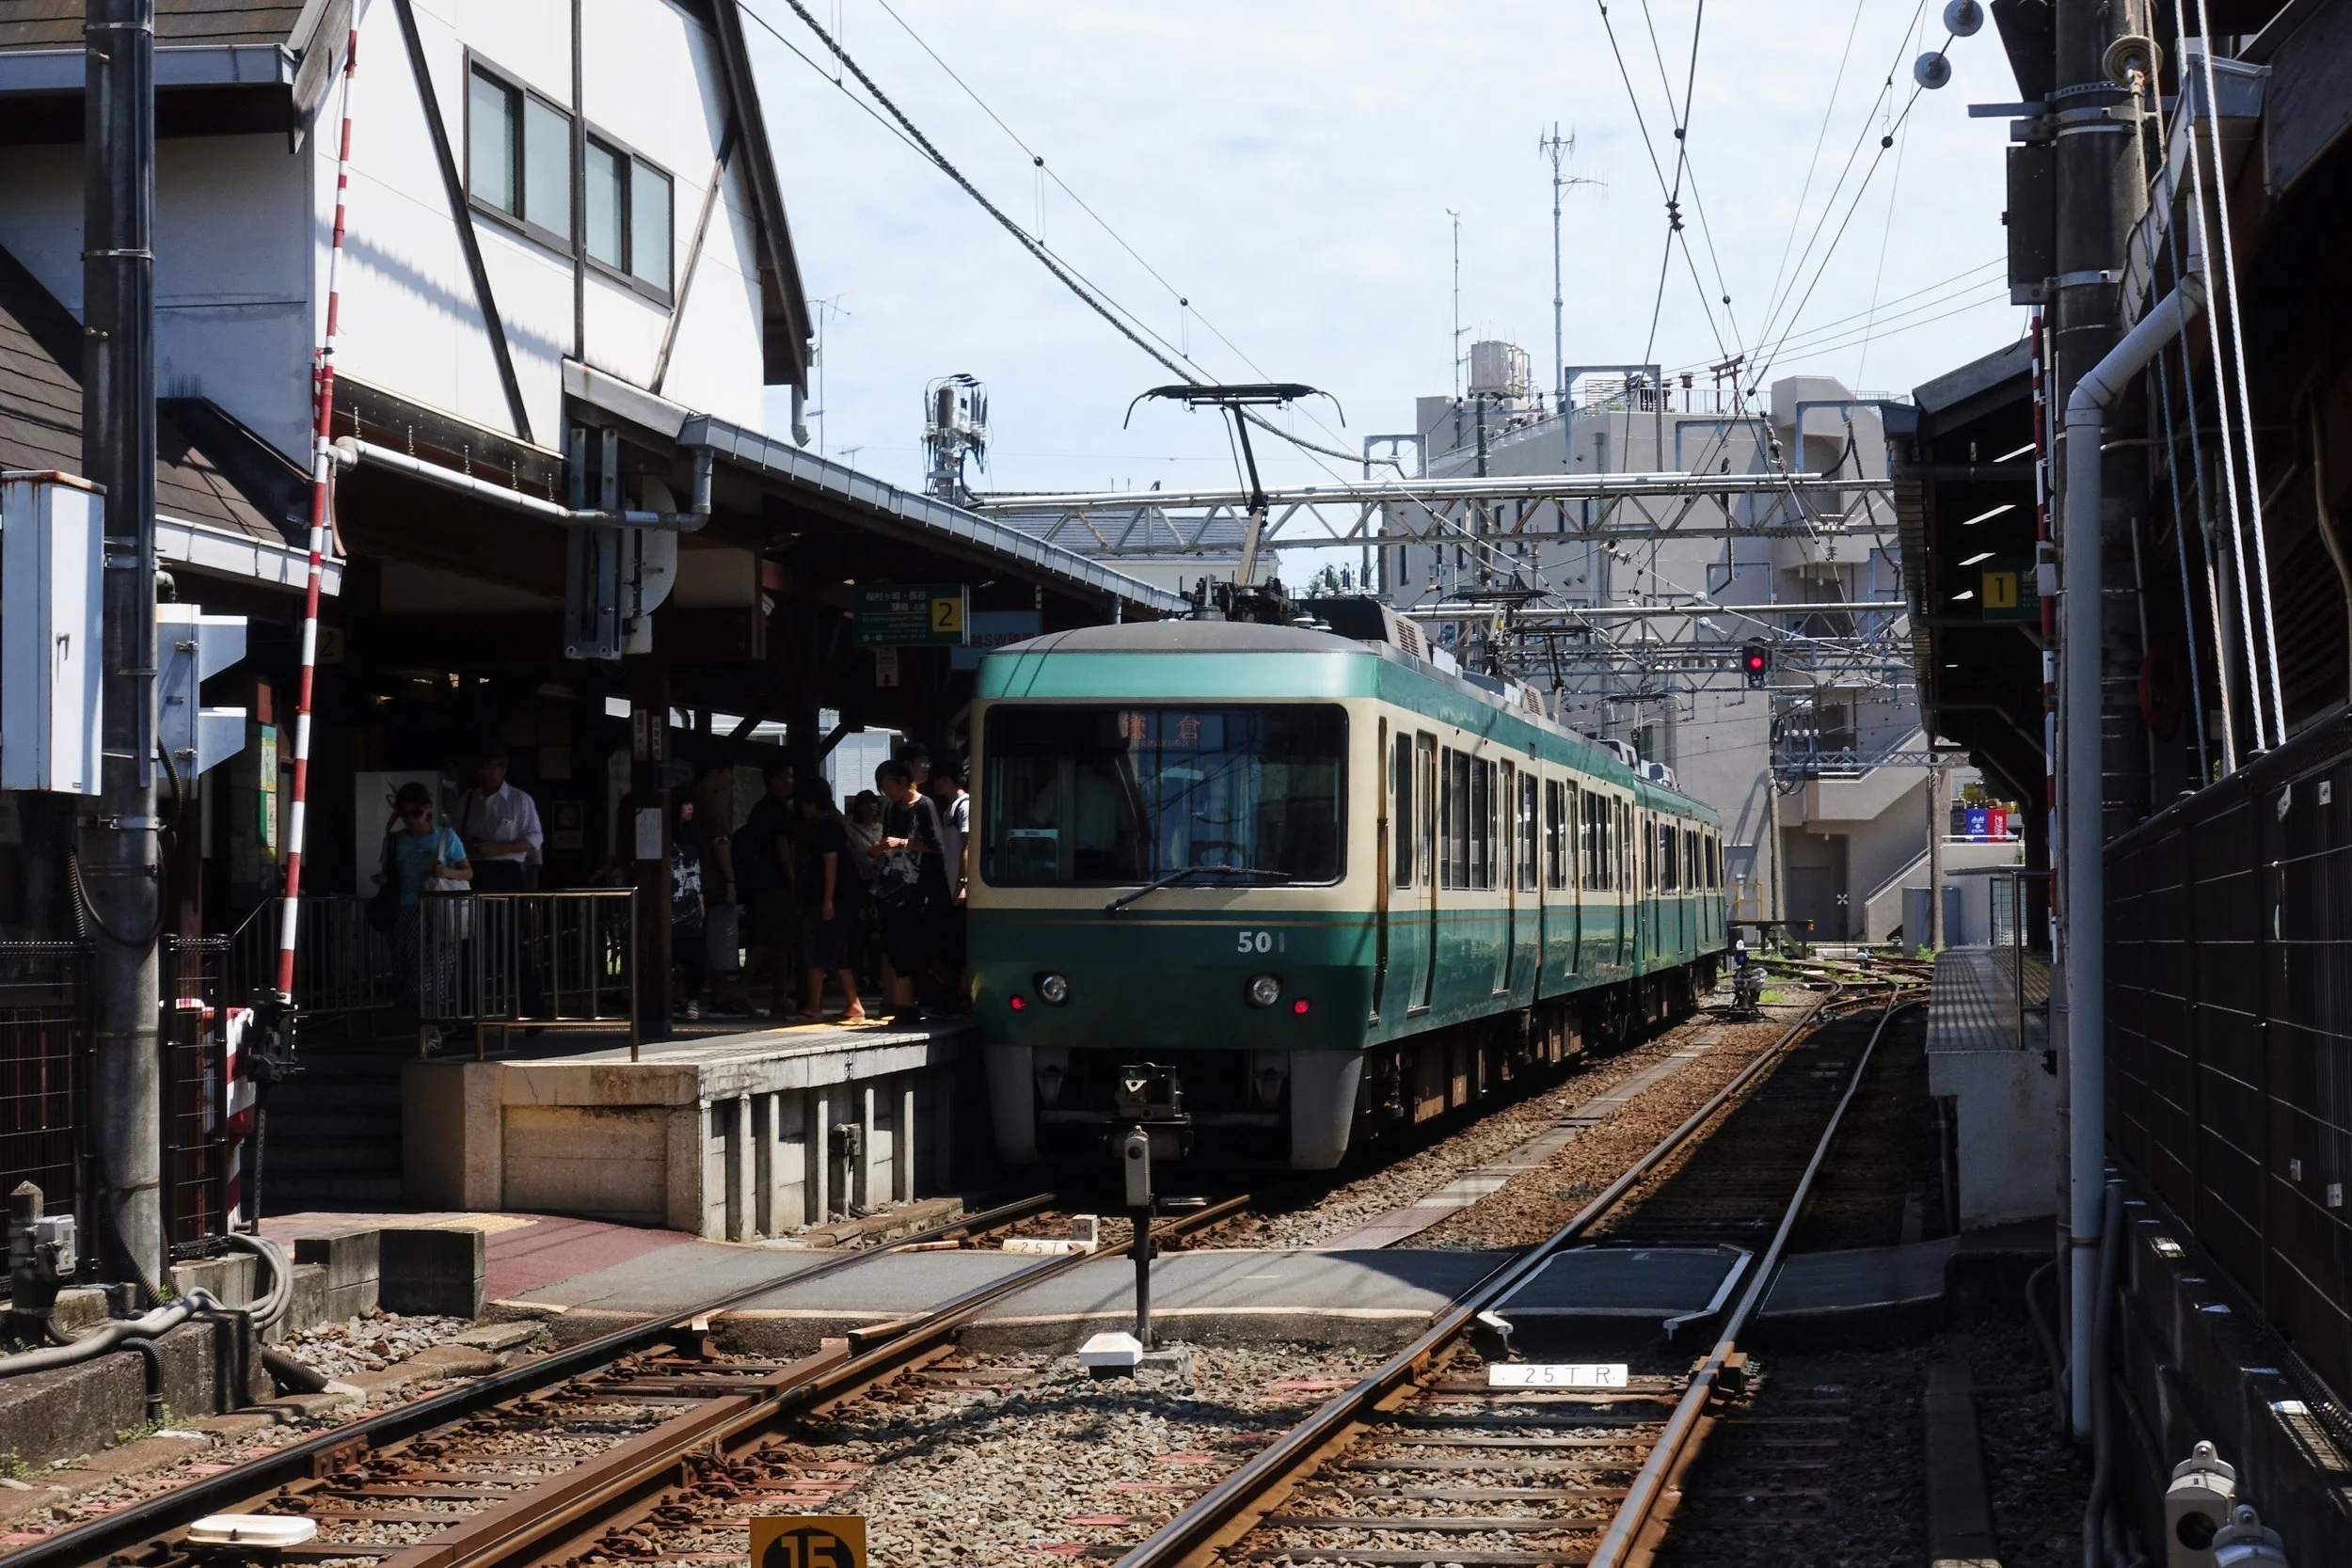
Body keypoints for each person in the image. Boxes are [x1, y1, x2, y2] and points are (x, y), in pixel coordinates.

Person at [373, 782, 471, 1042]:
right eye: (406, 815)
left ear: (428, 810)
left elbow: (468, 872)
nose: (412, 821)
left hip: (439, 914)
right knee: (408, 978)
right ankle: (429, 1029)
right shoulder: (394, 841)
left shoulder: (446, 838)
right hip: (406, 913)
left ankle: (428, 1032)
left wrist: (446, 872)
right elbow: (390, 873)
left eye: (416, 814)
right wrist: (384, 879)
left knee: (431, 978)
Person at [869, 757, 948, 1018]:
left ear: (904, 782)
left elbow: (936, 847)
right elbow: (888, 842)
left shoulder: (925, 806)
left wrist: (901, 843)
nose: (888, 794)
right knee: (896, 949)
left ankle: (929, 1001)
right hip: (893, 889)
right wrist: (881, 849)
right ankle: (903, 1007)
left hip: (919, 891)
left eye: (890, 787)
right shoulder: (892, 809)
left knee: (919, 949)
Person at [788, 777, 867, 1023]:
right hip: (842, 898)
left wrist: (827, 900)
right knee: (835, 953)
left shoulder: (824, 828)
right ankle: (854, 1004)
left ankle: (814, 1006)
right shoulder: (836, 823)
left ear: (811, 802)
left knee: (815, 950)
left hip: (829, 898)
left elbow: (830, 863)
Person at [736, 759, 801, 1015]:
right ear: (773, 779)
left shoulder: (760, 809)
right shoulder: (776, 809)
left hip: (761, 883)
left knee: (776, 941)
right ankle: (742, 988)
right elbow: (782, 846)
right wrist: (793, 878)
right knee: (771, 939)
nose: (791, 782)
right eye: (787, 776)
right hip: (775, 884)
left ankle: (779, 995)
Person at [458, 749, 543, 892]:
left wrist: (499, 849)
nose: (485, 772)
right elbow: (456, 832)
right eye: (481, 767)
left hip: (507, 871)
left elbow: (535, 838)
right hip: (473, 870)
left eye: (491, 766)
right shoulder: (467, 799)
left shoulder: (519, 800)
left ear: (503, 769)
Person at [670, 791, 708, 1022]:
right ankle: (675, 999)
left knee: (694, 955)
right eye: (686, 803)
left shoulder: (694, 835)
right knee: (671, 954)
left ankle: (692, 1000)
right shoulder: (665, 837)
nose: (690, 807)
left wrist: (701, 899)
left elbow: (698, 871)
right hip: (671, 901)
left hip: (692, 900)